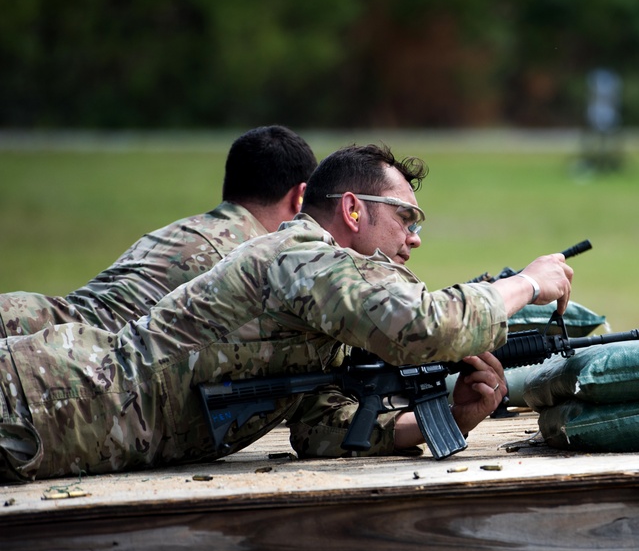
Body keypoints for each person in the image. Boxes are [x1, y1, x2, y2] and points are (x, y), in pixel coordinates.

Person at [0, 143, 573, 483]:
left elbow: (326, 431)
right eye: (407, 217)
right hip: (38, 397)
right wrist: (525, 284)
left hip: (59, 427)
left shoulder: (321, 310)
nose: (415, 238)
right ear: (352, 209)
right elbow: (419, 327)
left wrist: (449, 416)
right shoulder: (297, 256)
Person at [0, 125, 317, 339]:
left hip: (26, 320)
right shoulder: (253, 259)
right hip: (50, 353)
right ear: (299, 195)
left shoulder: (176, 230)